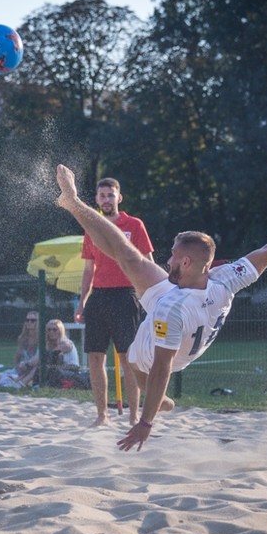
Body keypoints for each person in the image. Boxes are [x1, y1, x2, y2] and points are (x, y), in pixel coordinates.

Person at [54, 163, 267, 452]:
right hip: (190, 304)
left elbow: (161, 369)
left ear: (186, 262)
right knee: (129, 257)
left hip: (169, 345)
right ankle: (74, 202)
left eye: (172, 255)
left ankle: (74, 203)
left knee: (132, 358)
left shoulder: (170, 309)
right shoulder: (224, 279)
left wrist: (145, 423)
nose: (167, 260)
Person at [74, 177, 153, 426]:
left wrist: (151, 296)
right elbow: (88, 269)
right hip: (99, 296)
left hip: (125, 294)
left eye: (110, 195)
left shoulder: (134, 225)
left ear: (119, 197)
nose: (106, 199)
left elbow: (148, 263)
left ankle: (133, 415)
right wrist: (81, 302)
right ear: (96, 200)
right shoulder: (92, 227)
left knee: (127, 358)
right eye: (102, 195)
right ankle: (102, 415)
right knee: (95, 357)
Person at [0, 311, 41, 388]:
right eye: (27, 320)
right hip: (21, 369)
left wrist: (25, 365)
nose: (29, 322)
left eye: (33, 320)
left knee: (4, 383)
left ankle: (15, 381)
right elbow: (17, 357)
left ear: (38, 322)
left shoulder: (42, 339)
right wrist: (18, 368)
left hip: (32, 369)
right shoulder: (23, 338)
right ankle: (13, 379)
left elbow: (36, 360)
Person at [42, 319, 89, 389]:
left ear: (60, 331)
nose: (51, 332)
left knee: (44, 365)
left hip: (71, 369)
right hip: (58, 368)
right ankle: (23, 382)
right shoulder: (49, 343)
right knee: (40, 366)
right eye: (49, 330)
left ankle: (24, 383)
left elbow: (50, 355)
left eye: (54, 330)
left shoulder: (65, 343)